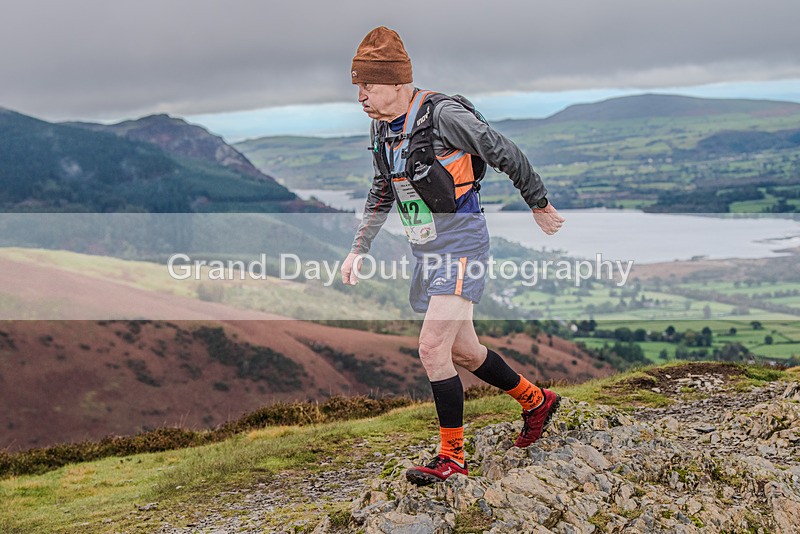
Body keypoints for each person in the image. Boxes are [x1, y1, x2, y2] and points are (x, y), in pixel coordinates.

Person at [340, 26, 566, 486]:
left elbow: (504, 152)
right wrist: (358, 248)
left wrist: (538, 204)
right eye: (358, 86)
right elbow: (383, 188)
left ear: (399, 83)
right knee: (464, 350)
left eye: (369, 85)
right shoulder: (382, 128)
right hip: (428, 249)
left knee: (431, 349)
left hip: (463, 243)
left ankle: (452, 457)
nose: (361, 95)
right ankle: (536, 400)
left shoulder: (442, 116)